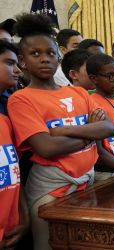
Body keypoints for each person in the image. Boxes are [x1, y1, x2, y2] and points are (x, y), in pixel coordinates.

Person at [8, 13, 114, 249]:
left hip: (87, 182)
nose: (44, 59)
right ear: (23, 61)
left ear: (58, 58)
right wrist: (89, 132)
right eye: (35, 54)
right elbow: (46, 148)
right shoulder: (21, 99)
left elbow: (108, 127)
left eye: (50, 53)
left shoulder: (76, 92)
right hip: (51, 187)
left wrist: (66, 130)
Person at [0, 40, 28, 250]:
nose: (18, 70)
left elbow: (15, 171)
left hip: (10, 227)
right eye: (10, 63)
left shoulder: (6, 118)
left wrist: (23, 218)